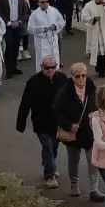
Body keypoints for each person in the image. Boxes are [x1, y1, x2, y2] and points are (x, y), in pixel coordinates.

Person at [16, 54, 67, 188]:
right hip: (41, 122)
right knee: (48, 147)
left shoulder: (62, 79)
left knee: (54, 148)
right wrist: (20, 123)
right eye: (47, 67)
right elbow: (25, 103)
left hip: (56, 122)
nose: (50, 70)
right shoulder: (33, 82)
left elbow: (69, 99)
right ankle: (49, 174)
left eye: (53, 67)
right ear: (41, 67)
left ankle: (48, 164)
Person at [53, 61, 97, 197]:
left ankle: (94, 189)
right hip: (73, 133)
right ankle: (74, 185)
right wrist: (68, 125)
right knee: (74, 160)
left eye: (83, 75)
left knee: (93, 160)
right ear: (72, 76)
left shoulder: (91, 88)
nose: (81, 79)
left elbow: (96, 105)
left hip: (89, 131)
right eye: (77, 76)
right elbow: (55, 112)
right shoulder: (65, 92)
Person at [0, 0, 30, 79]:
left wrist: (20, 21)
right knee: (9, 46)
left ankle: (14, 67)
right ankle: (8, 70)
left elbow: (24, 10)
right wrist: (8, 22)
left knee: (16, 46)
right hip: (7, 25)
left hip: (18, 24)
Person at [27, 0, 65, 69]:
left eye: (47, 1)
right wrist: (43, 29)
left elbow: (62, 21)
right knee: (42, 61)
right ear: (38, 3)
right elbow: (30, 28)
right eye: (43, 2)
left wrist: (55, 26)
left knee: (55, 59)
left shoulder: (54, 10)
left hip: (53, 39)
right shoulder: (35, 14)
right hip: (41, 41)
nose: (45, 3)